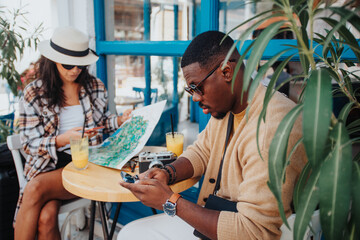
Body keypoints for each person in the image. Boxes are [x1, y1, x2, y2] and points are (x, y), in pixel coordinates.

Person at [118, 31, 307, 240]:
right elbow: (202, 151)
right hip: (218, 217)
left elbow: (254, 231)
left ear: (227, 72)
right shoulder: (227, 108)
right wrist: (167, 173)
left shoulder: (272, 128)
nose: (195, 98)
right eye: (190, 90)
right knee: (130, 233)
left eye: (197, 87)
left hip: (243, 231)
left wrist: (170, 201)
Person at [15, 26, 132, 240]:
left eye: (81, 64)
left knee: (34, 189)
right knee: (46, 217)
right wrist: (60, 141)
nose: (75, 70)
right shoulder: (34, 92)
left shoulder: (94, 86)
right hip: (46, 166)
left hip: (85, 165)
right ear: (53, 61)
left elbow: (103, 122)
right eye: (68, 64)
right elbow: (28, 144)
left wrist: (120, 120)